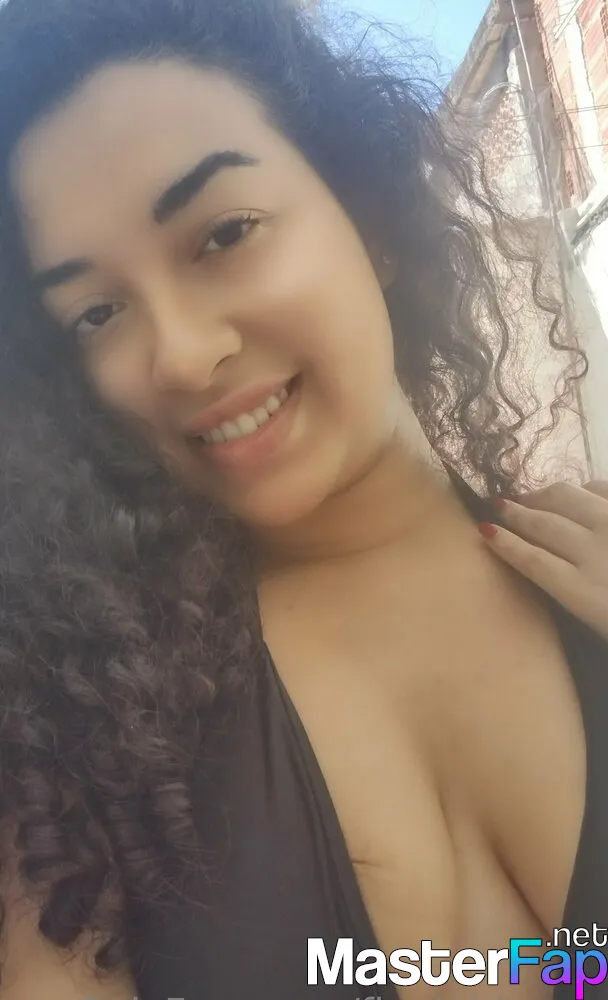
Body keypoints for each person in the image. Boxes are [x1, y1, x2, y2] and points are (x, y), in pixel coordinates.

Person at [0, 0, 606, 998]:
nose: (181, 354)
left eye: (223, 233)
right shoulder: (87, 746)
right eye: (97, 311)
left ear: (366, 216)